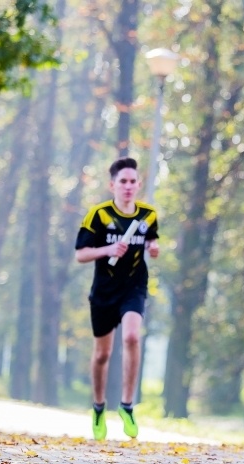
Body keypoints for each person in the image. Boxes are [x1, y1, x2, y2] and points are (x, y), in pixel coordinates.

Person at [75, 157, 160, 441]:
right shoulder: (98, 215)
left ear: (138, 185)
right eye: (122, 181)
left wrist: (154, 246)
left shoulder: (148, 215)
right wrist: (108, 248)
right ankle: (99, 407)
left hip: (134, 287)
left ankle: (127, 405)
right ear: (112, 185)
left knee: (132, 337)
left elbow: (152, 238)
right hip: (103, 292)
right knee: (102, 355)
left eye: (132, 181)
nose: (128, 186)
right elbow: (81, 254)